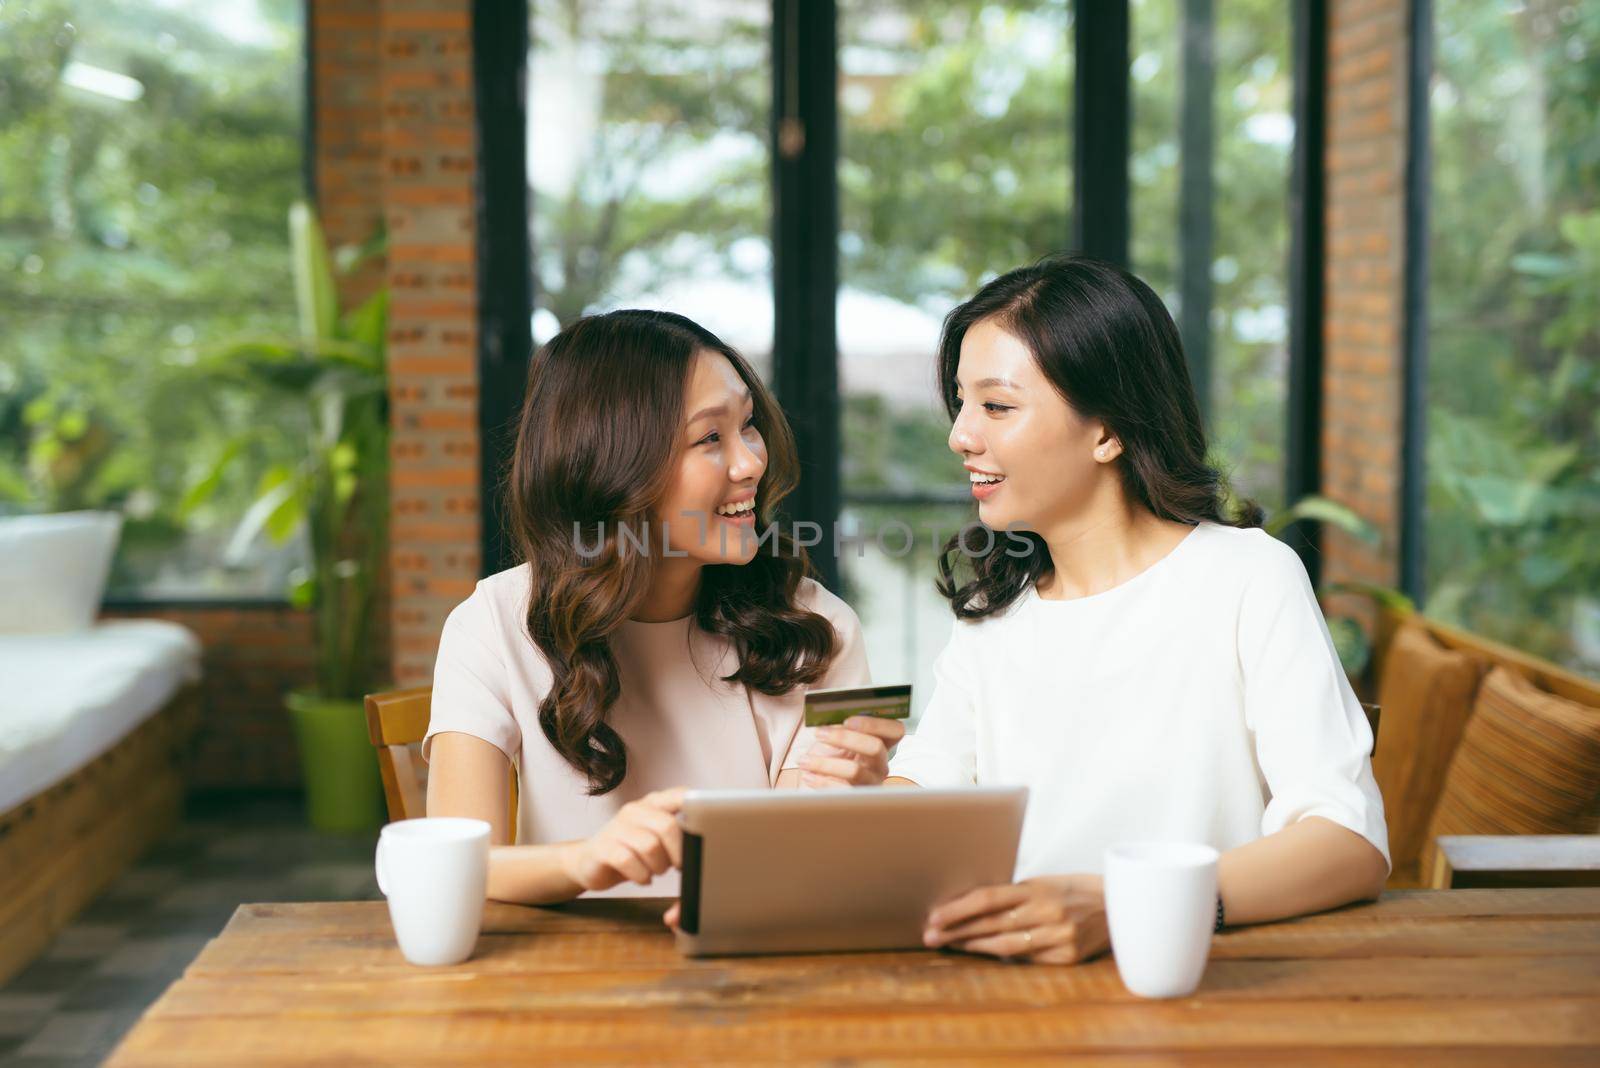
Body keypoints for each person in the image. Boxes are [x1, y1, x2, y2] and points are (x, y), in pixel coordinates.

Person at [887, 256, 1390, 964]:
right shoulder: (993, 614)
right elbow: (925, 787)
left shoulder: (1247, 578)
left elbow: (1348, 842)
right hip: (1013, 995)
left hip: (1195, 991)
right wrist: (852, 798)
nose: (960, 435)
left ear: (1108, 431)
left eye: (996, 406)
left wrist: (1133, 906)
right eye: (961, 403)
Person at [424, 310, 902, 909]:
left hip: (751, 966)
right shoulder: (493, 622)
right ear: (612, 466)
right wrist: (585, 860)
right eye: (710, 438)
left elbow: (798, 867)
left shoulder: (816, 626)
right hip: (568, 977)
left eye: (748, 426)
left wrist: (847, 801)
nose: (751, 462)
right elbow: (457, 862)